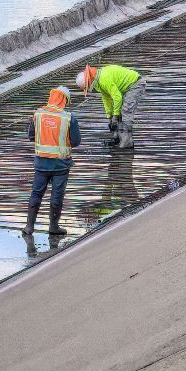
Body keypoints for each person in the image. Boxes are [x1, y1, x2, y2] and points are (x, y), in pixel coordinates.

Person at [25, 85, 81, 240]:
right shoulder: (69, 118)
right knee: (57, 195)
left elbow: (30, 136)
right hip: (60, 166)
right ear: (64, 101)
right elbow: (76, 141)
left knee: (36, 193)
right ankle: (53, 226)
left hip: (41, 164)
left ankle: (29, 226)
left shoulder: (38, 115)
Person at [77, 62, 145, 150]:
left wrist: (115, 116)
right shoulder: (98, 81)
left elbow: (117, 98)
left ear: (89, 81)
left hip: (135, 84)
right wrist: (110, 116)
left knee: (125, 111)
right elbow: (106, 99)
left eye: (86, 87)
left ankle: (127, 142)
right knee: (118, 112)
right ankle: (118, 139)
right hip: (125, 88)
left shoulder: (103, 79)